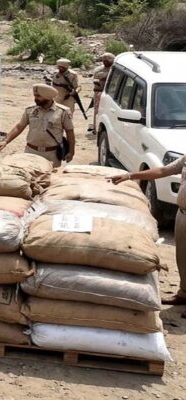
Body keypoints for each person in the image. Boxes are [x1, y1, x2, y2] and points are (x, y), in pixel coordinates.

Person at [108, 157, 186, 311]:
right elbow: (163, 170)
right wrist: (130, 176)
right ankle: (184, 293)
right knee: (182, 257)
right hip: (182, 214)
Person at [0, 84, 75, 167]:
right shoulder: (30, 110)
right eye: (35, 95)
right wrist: (5, 141)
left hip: (52, 154)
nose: (35, 98)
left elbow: (69, 132)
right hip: (31, 152)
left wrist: (71, 151)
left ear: (47, 96)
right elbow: (19, 127)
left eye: (38, 96)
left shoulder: (62, 112)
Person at [91, 53, 115, 135]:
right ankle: (96, 129)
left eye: (107, 60)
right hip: (99, 92)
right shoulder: (98, 69)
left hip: (112, 94)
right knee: (97, 110)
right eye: (104, 60)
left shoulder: (115, 70)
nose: (105, 62)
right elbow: (95, 79)